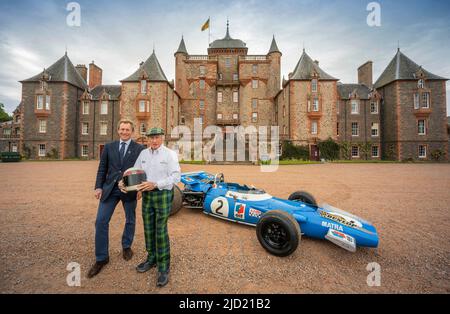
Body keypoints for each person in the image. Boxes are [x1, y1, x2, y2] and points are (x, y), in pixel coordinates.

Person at [121, 127, 180, 287]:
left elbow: (176, 176)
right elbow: (135, 173)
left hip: (162, 194)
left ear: (162, 138)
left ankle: (163, 266)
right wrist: (127, 184)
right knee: (148, 228)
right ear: (148, 139)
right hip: (147, 195)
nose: (154, 141)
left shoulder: (170, 154)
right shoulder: (143, 154)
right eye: (151, 138)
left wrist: (156, 184)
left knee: (160, 230)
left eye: (157, 137)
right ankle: (152, 258)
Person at [87, 120, 144, 278]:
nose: (125, 132)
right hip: (110, 189)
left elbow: (141, 171)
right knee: (101, 221)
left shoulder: (139, 149)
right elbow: (102, 168)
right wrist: (98, 186)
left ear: (132, 131)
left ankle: (126, 246)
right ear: (118, 130)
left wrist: (140, 189)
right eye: (122, 129)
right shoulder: (109, 147)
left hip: (129, 190)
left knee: (130, 219)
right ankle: (101, 258)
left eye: (128, 130)